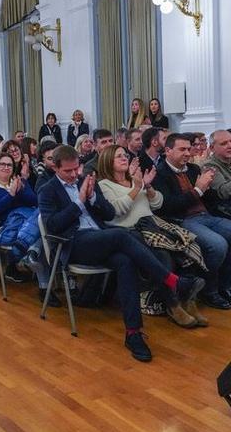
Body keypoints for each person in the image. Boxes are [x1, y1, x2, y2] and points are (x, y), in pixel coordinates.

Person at [38, 145, 203, 362]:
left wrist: (93, 199)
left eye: (76, 169)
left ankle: (133, 333)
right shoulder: (48, 190)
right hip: (74, 243)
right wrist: (79, 202)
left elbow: (107, 212)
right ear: (56, 168)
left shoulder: (85, 181)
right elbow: (52, 226)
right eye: (68, 171)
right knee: (122, 235)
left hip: (99, 237)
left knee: (126, 262)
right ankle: (173, 281)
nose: (74, 174)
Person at [95, 145, 207, 327]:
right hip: (129, 231)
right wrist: (136, 188)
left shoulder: (135, 179)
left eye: (124, 155)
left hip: (152, 225)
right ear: (108, 161)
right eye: (118, 157)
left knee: (189, 246)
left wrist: (147, 187)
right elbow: (115, 211)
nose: (124, 158)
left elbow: (157, 204)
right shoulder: (104, 185)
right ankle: (173, 306)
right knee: (164, 256)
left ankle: (189, 301)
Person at [152, 133, 231, 309]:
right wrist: (198, 189)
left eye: (189, 149)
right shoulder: (160, 174)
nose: (188, 153)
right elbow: (168, 207)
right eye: (182, 149)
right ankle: (209, 291)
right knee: (218, 245)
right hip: (182, 220)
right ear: (168, 151)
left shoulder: (194, 169)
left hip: (206, 216)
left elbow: (208, 198)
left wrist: (208, 185)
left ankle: (225, 286)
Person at [0, 153, 38, 283]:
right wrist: (11, 195)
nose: (6, 167)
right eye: (2, 164)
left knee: (39, 214)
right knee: (24, 215)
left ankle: (21, 250)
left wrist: (22, 188)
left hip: (25, 225)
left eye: (9, 165)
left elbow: (35, 201)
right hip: (4, 226)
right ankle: (25, 255)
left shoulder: (19, 181)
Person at [204, 129, 231, 219]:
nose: (230, 146)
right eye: (224, 144)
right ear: (212, 148)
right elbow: (222, 192)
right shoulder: (209, 166)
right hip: (225, 211)